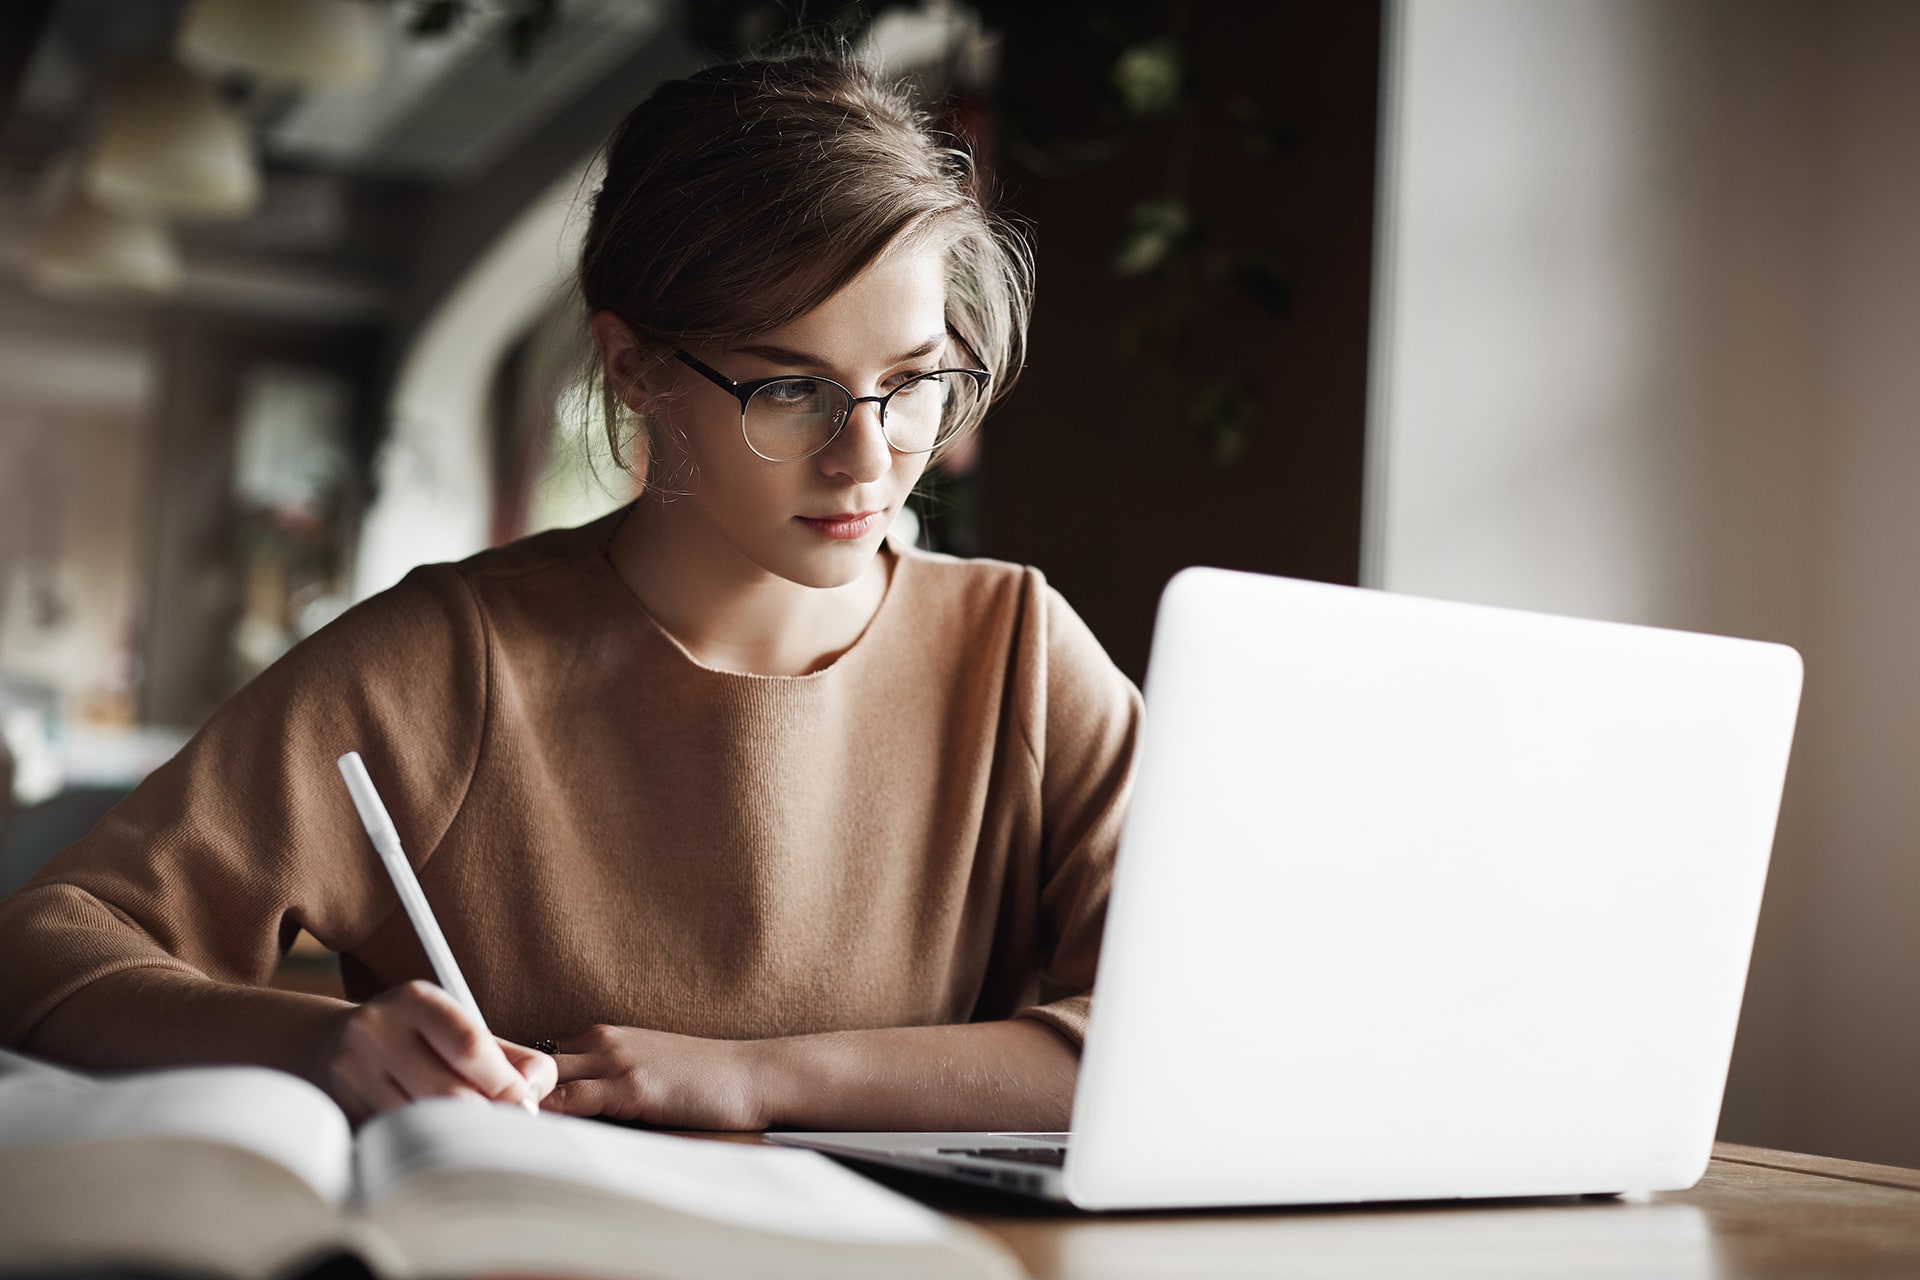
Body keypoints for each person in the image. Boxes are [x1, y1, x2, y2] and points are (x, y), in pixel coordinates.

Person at [0, 54, 1140, 1132]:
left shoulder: (1021, 656)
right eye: (792, 389)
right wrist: (319, 1047)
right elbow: (46, 947)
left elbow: (1180, 1038)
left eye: (912, 383)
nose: (869, 457)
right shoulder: (446, 661)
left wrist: (758, 1078)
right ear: (633, 365)